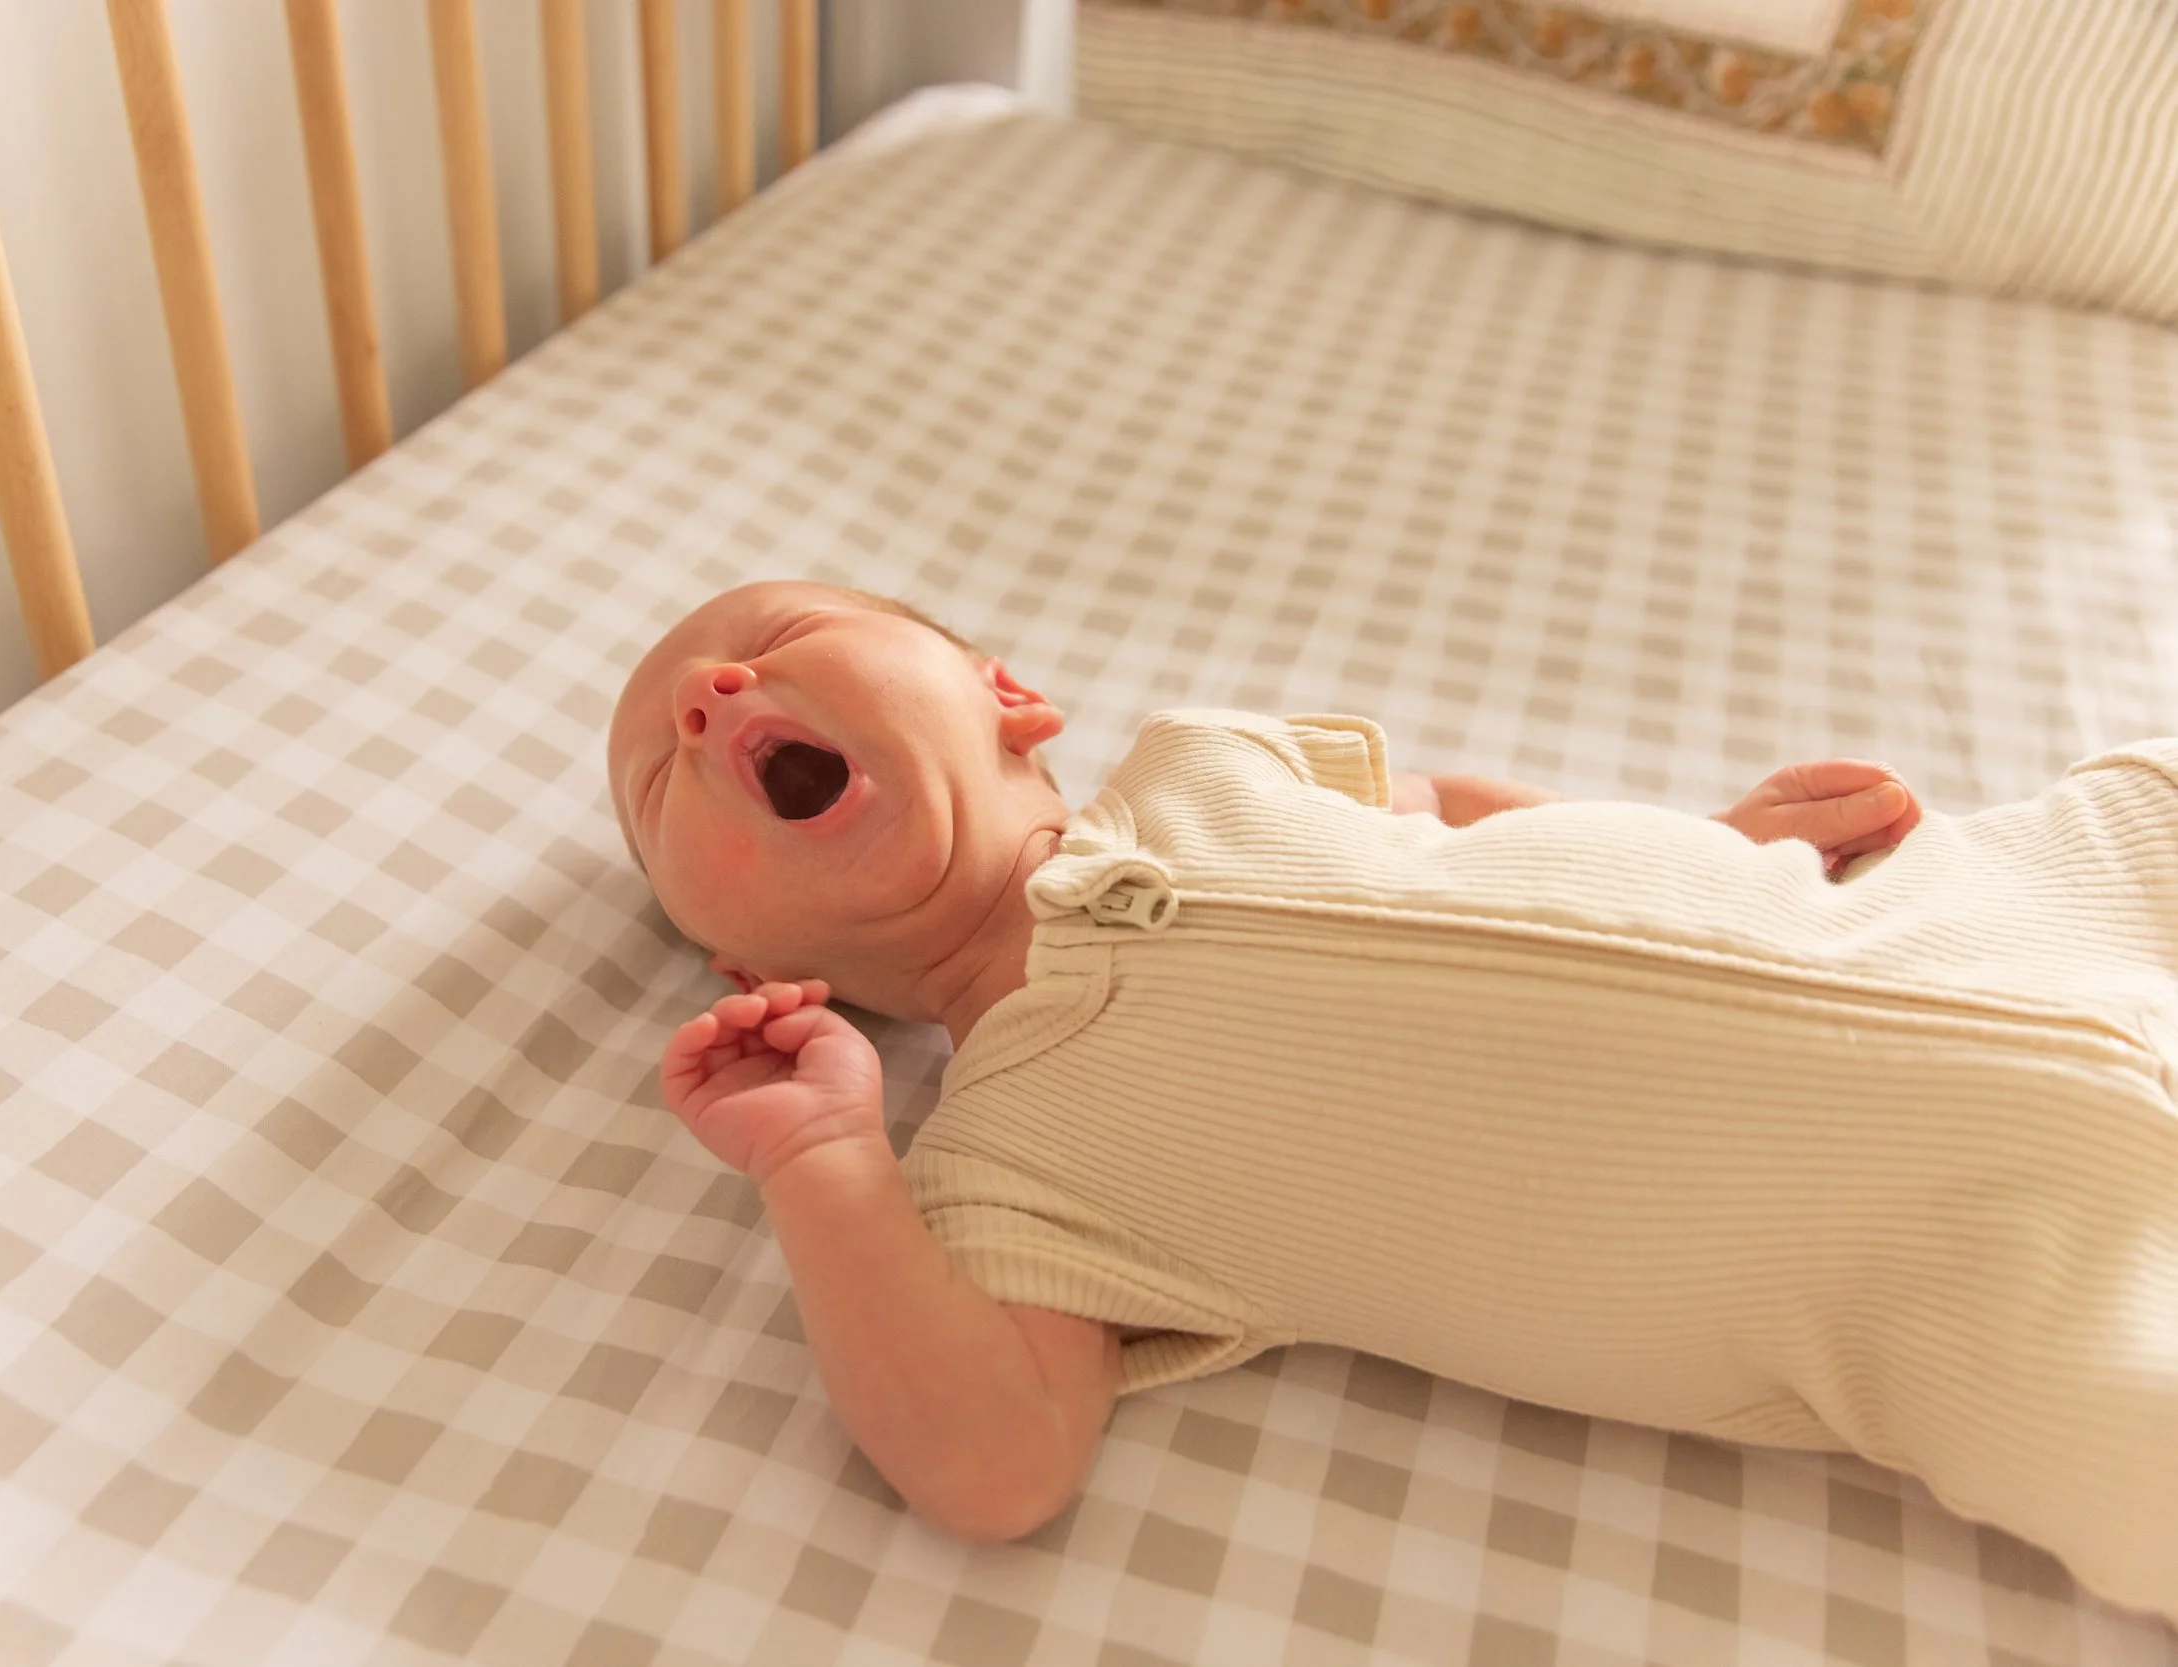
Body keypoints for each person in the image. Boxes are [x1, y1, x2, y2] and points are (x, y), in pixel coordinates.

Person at [605, 579, 2178, 1621]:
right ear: (742, 958)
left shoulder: (1209, 763)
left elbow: (1458, 813)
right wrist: (824, 1160)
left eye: (789, 625)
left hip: (2031, 901)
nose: (712, 690)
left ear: (1007, 692)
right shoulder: (1013, 1165)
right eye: (664, 780)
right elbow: (992, 1465)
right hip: (1970, 1301)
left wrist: (1709, 838)